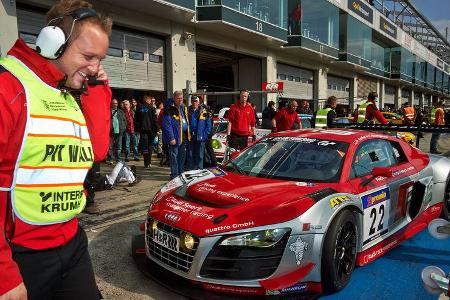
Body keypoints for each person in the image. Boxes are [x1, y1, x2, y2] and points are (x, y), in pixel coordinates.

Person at [0, 1, 112, 299]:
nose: (95, 67)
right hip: (21, 254)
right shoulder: (8, 88)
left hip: (71, 240)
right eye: (88, 56)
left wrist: (98, 88)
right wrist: (3, 275)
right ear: (53, 42)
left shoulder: (66, 92)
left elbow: (97, 150)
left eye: (100, 59)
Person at [163, 91, 191, 179]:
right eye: (178, 98)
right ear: (174, 98)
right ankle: (174, 175)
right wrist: (171, 138)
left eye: (181, 98)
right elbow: (167, 125)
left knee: (182, 157)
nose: (180, 100)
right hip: (174, 137)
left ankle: (180, 173)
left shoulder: (184, 108)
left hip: (183, 136)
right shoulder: (169, 109)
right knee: (174, 157)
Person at [187, 96, 212, 170]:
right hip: (190, 136)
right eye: (193, 101)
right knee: (190, 154)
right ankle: (190, 170)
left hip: (200, 137)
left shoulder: (204, 111)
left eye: (196, 101)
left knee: (200, 155)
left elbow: (209, 125)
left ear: (199, 102)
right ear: (191, 102)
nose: (194, 102)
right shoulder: (187, 110)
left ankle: (199, 170)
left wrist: (205, 135)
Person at [134, 95, 158, 168]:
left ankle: (146, 163)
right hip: (151, 130)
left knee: (144, 147)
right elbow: (155, 120)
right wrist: (157, 129)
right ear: (148, 100)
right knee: (150, 146)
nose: (151, 101)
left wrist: (137, 129)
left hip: (142, 130)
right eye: (150, 100)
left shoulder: (138, 108)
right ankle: (149, 162)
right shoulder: (152, 108)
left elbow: (135, 120)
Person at [107, 98, 126, 163]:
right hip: (110, 132)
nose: (115, 105)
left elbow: (124, 121)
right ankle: (110, 159)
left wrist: (123, 128)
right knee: (110, 146)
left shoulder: (121, 111)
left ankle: (118, 159)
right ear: (111, 104)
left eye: (116, 103)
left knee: (119, 147)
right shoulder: (108, 111)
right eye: (114, 103)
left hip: (119, 131)